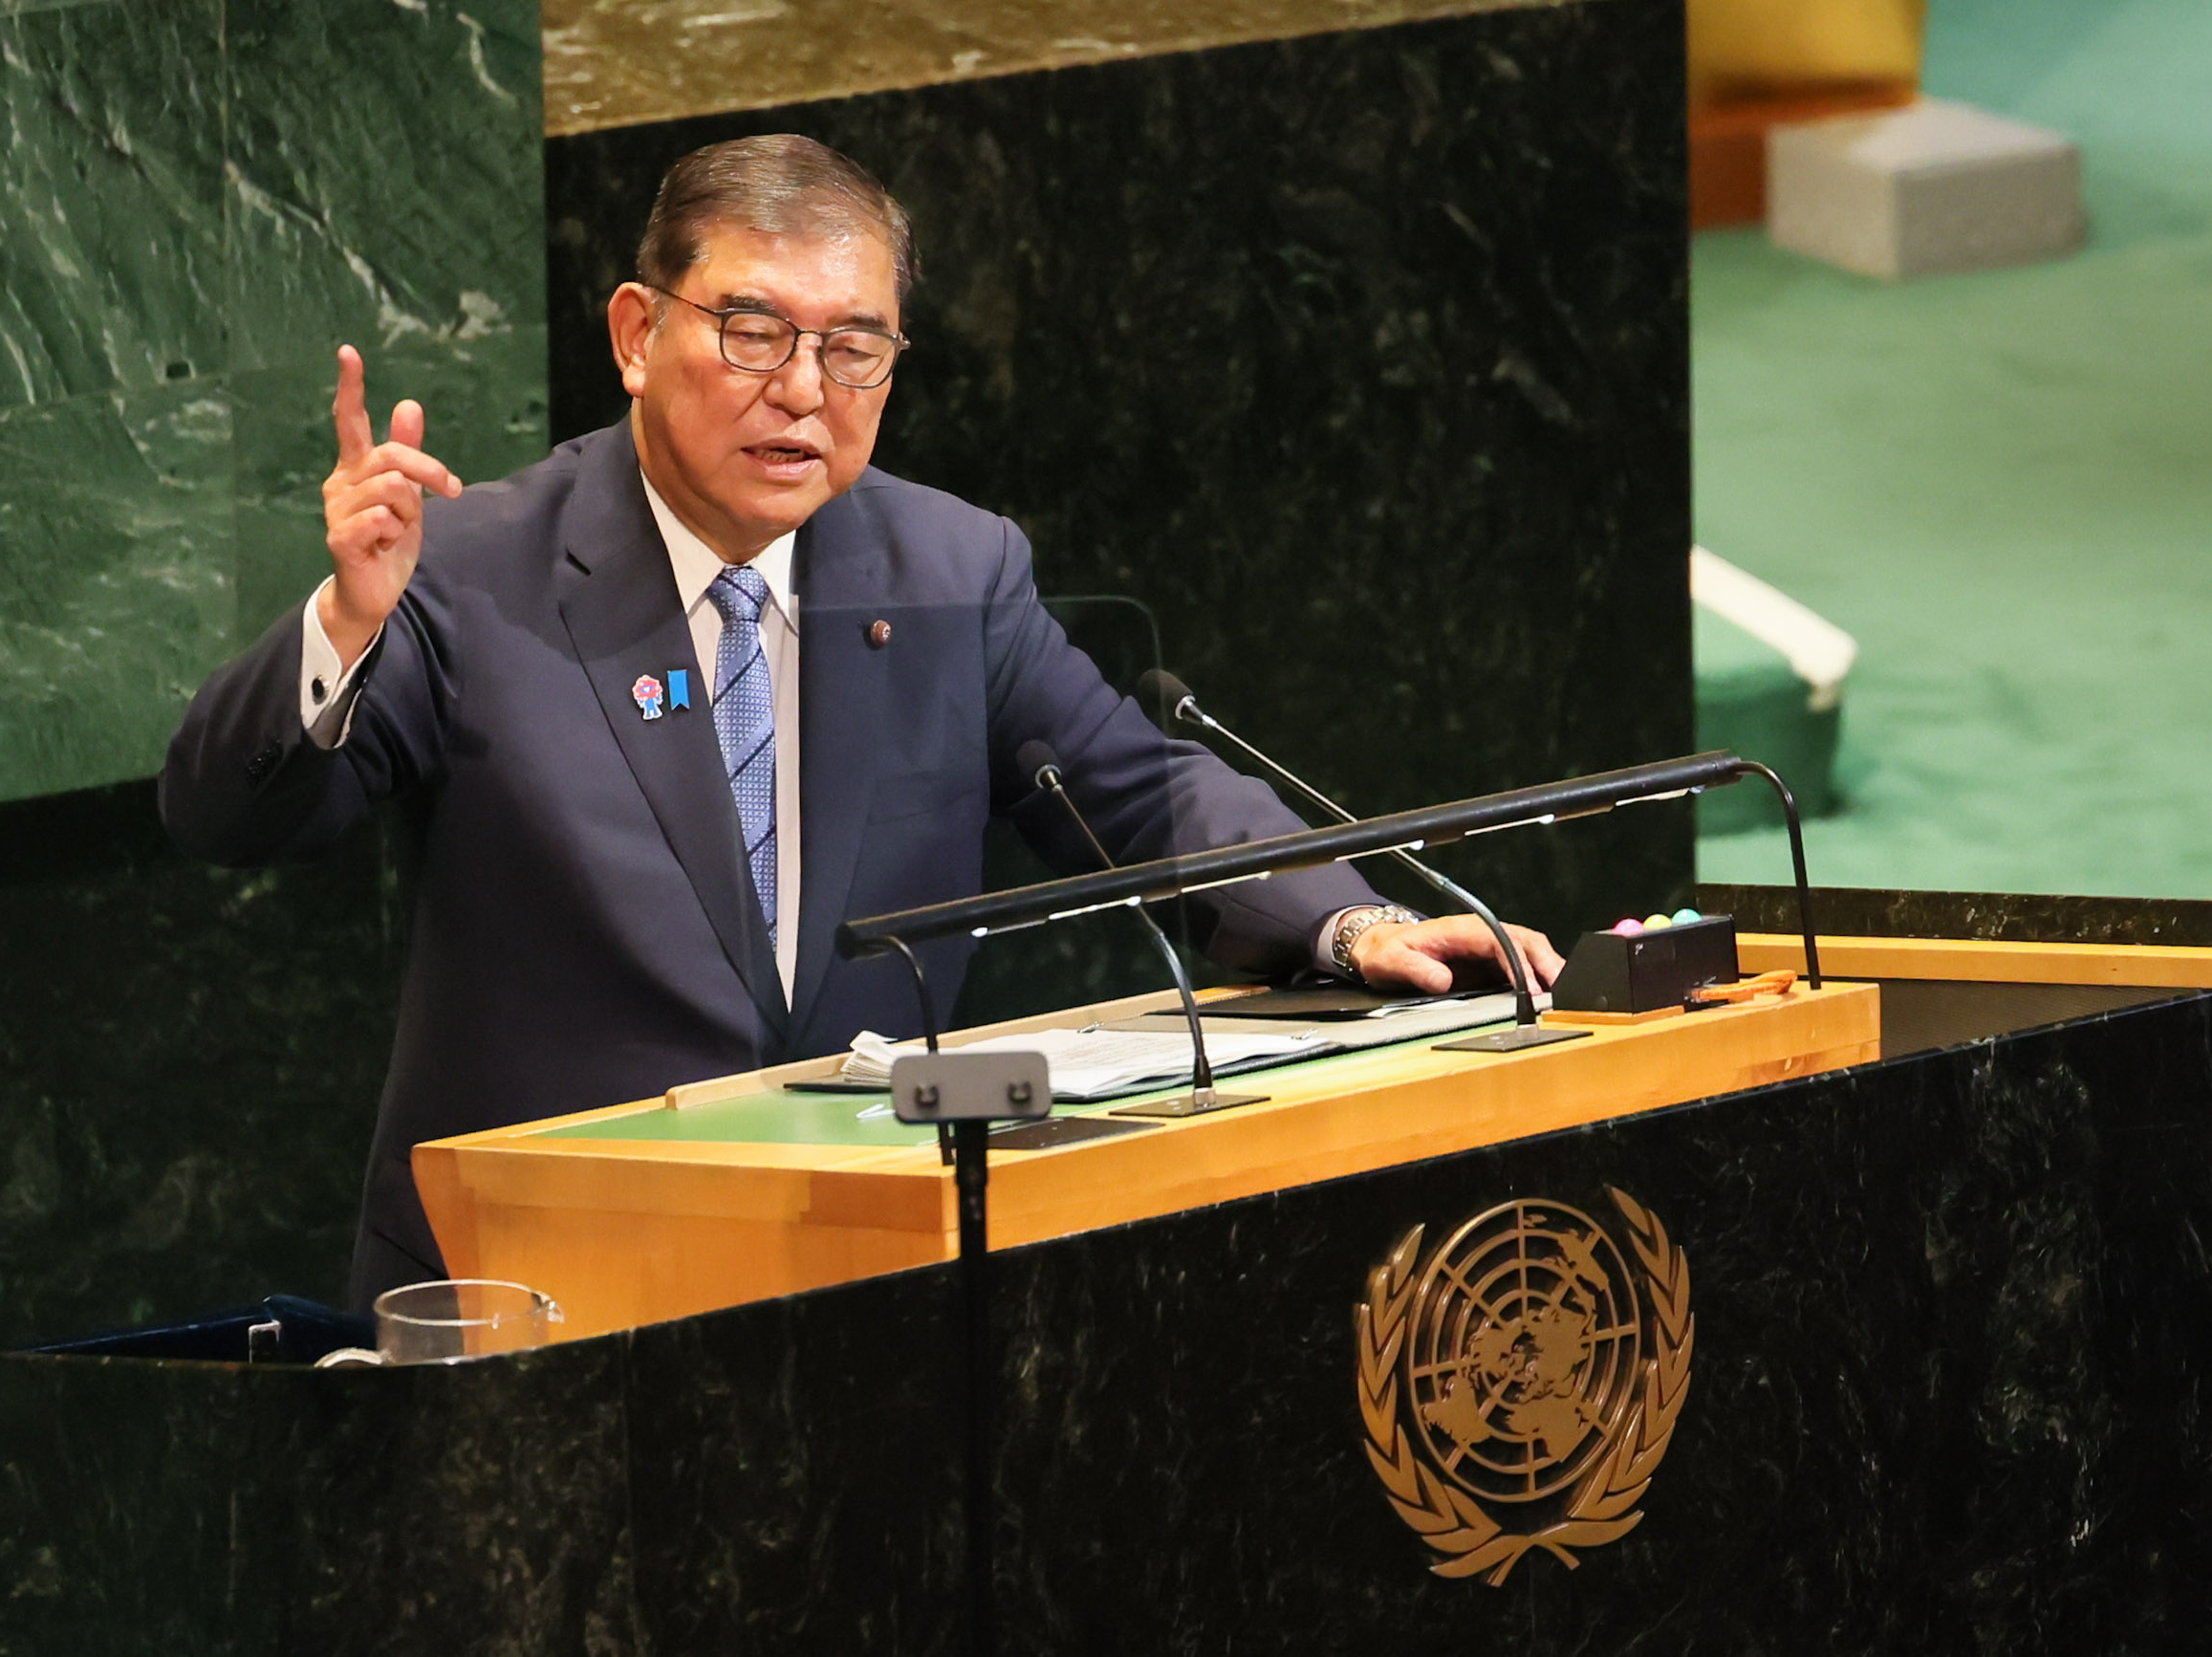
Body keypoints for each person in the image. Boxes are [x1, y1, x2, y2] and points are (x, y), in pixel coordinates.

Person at [161, 135, 1562, 1303]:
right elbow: (227, 814)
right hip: (544, 1285)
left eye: (855, 347)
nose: (804, 392)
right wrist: (344, 621)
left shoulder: (950, 571)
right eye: (756, 331)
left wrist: (1355, 923)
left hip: (871, 1274)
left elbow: (1142, 789)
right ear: (639, 336)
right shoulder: (475, 571)